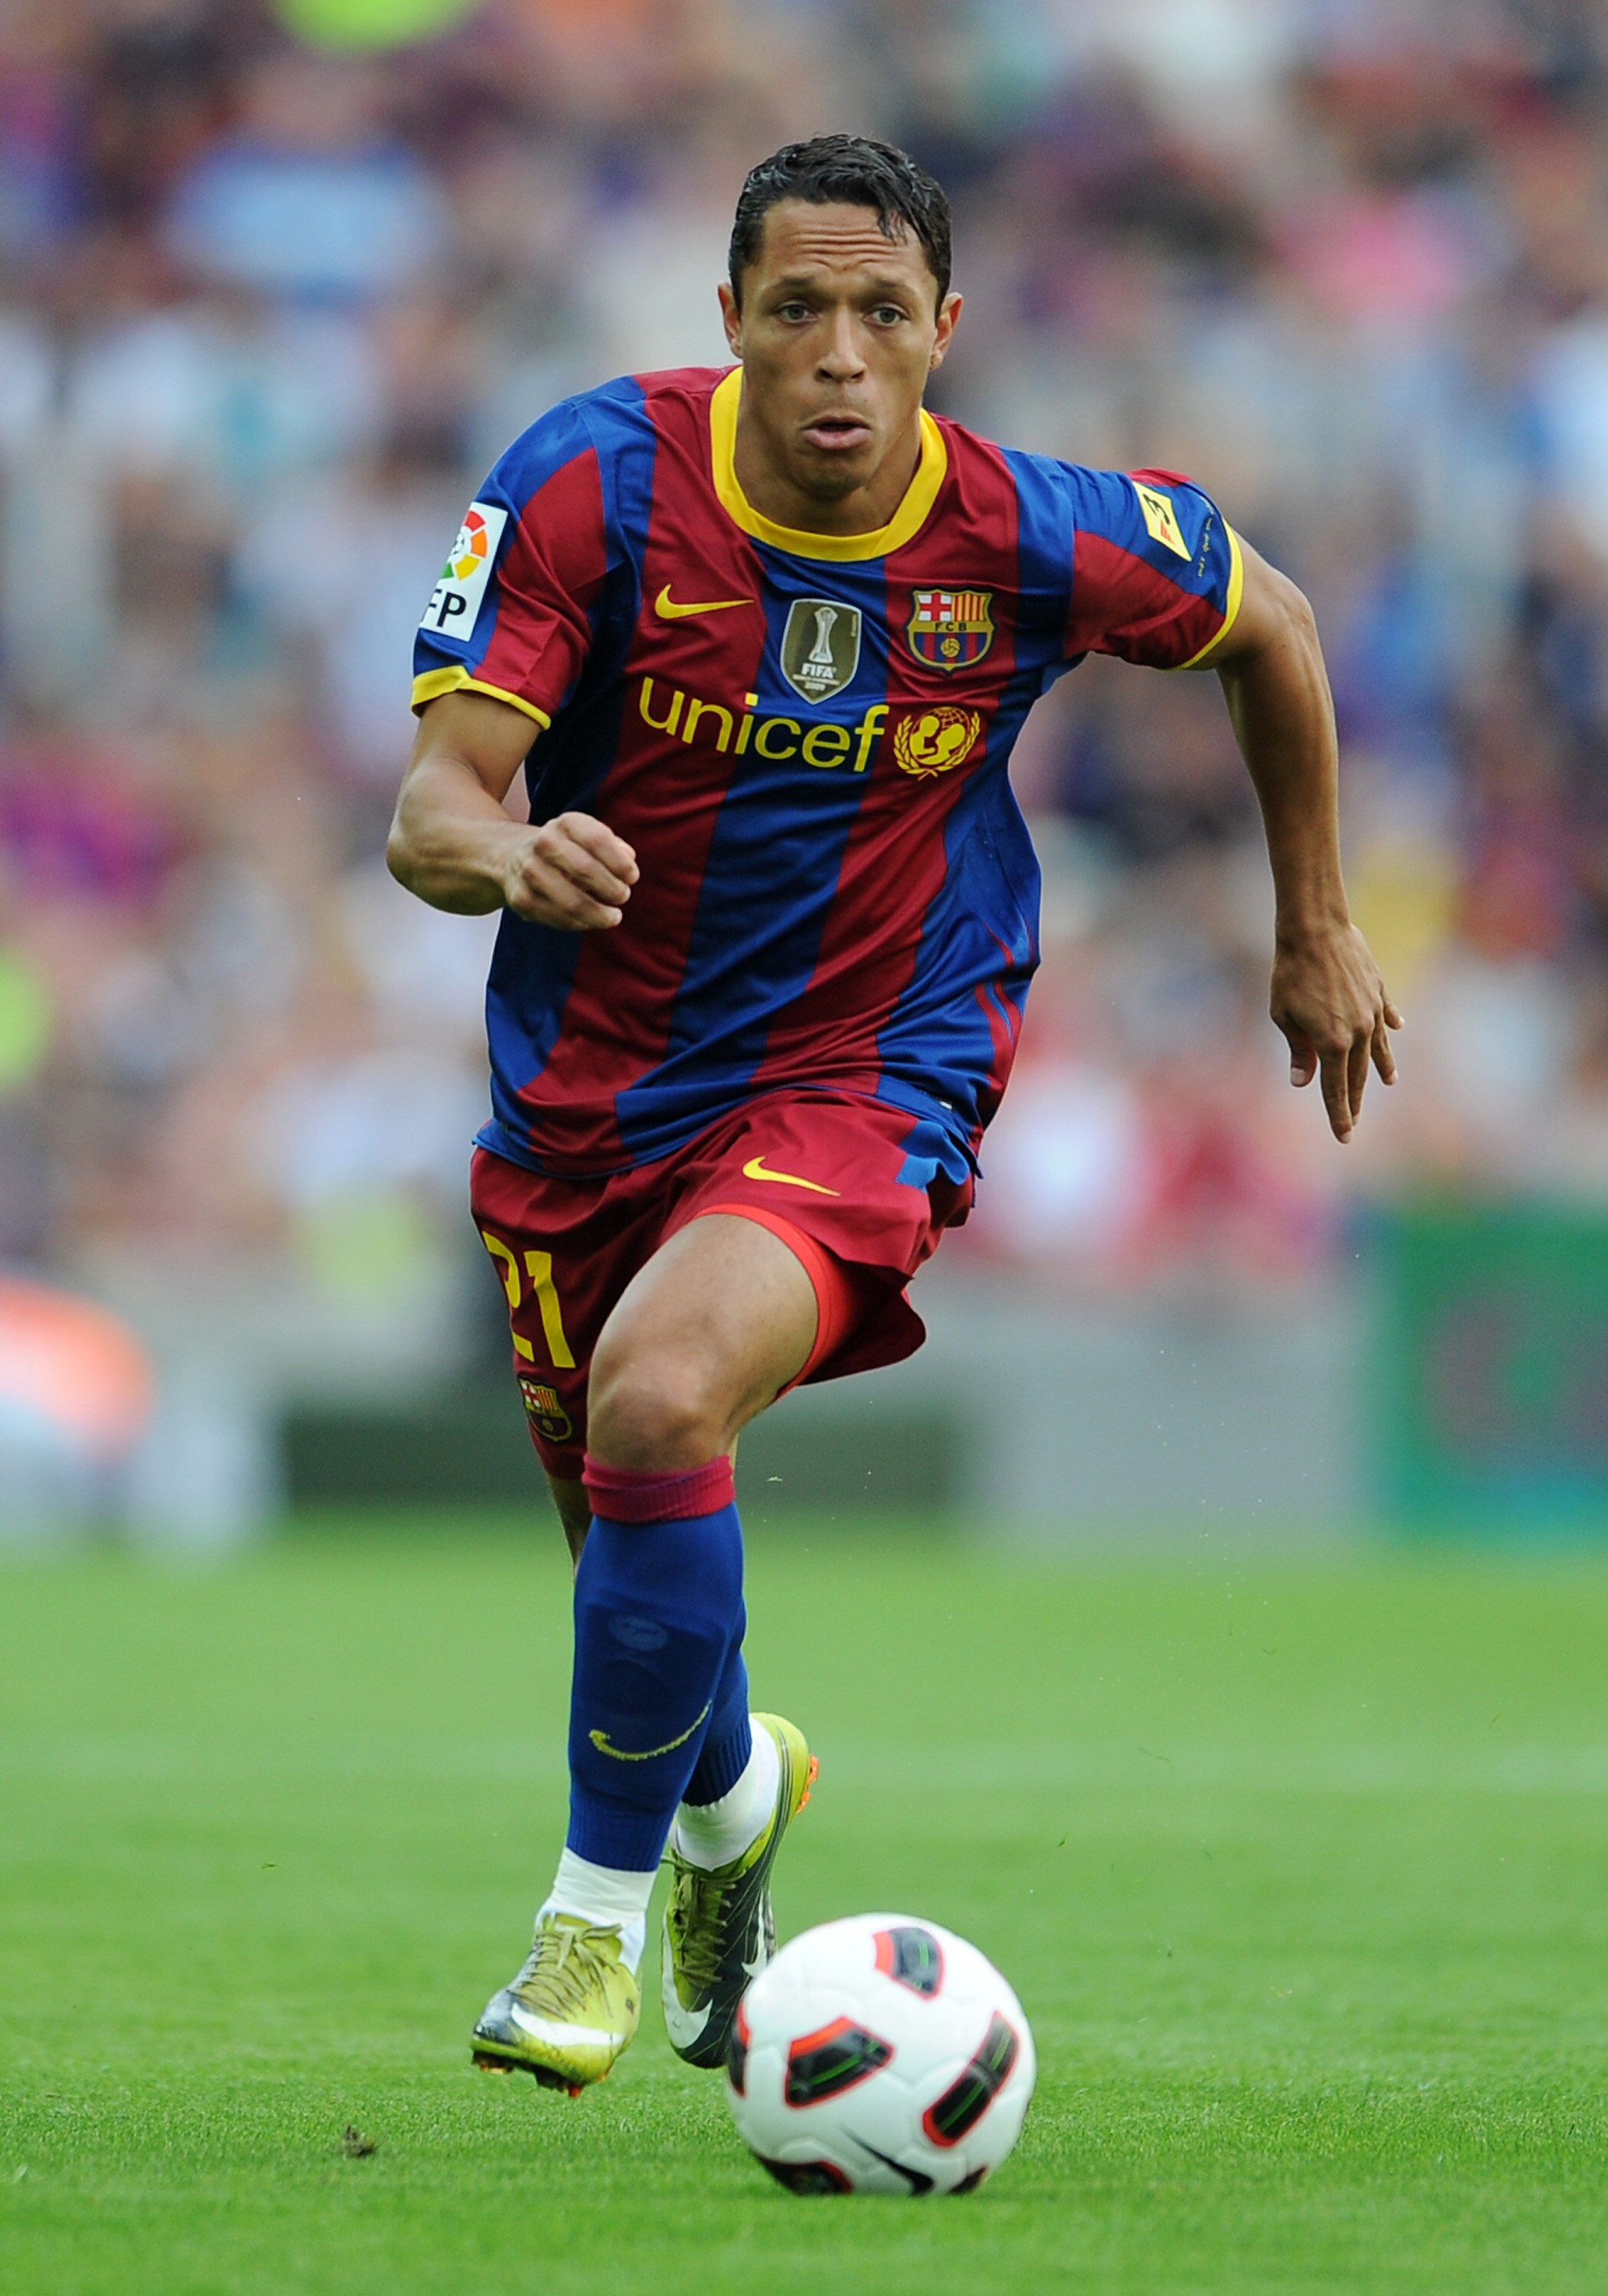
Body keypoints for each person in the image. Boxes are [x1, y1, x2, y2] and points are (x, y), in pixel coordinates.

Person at [387, 134, 1400, 2096]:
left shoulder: (1036, 531)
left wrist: (1318, 925)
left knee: (662, 1400)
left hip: (873, 1065)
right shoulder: (587, 482)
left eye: (876, 314)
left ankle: (584, 1939)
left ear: (945, 332)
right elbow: (432, 806)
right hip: (589, 1094)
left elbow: (1270, 623)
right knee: (630, 1536)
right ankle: (732, 1801)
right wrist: (508, 859)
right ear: (730, 326)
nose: (837, 354)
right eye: (795, 311)